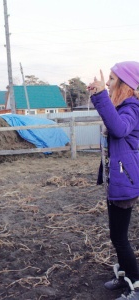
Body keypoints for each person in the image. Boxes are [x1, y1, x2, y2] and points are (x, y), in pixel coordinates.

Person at [88, 61, 139, 300]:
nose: (107, 83)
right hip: (118, 181)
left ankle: (136, 285)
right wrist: (99, 97)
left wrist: (100, 96)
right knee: (116, 236)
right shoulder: (122, 107)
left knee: (119, 237)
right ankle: (125, 276)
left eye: (111, 79)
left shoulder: (132, 108)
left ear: (125, 83)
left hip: (126, 182)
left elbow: (118, 129)